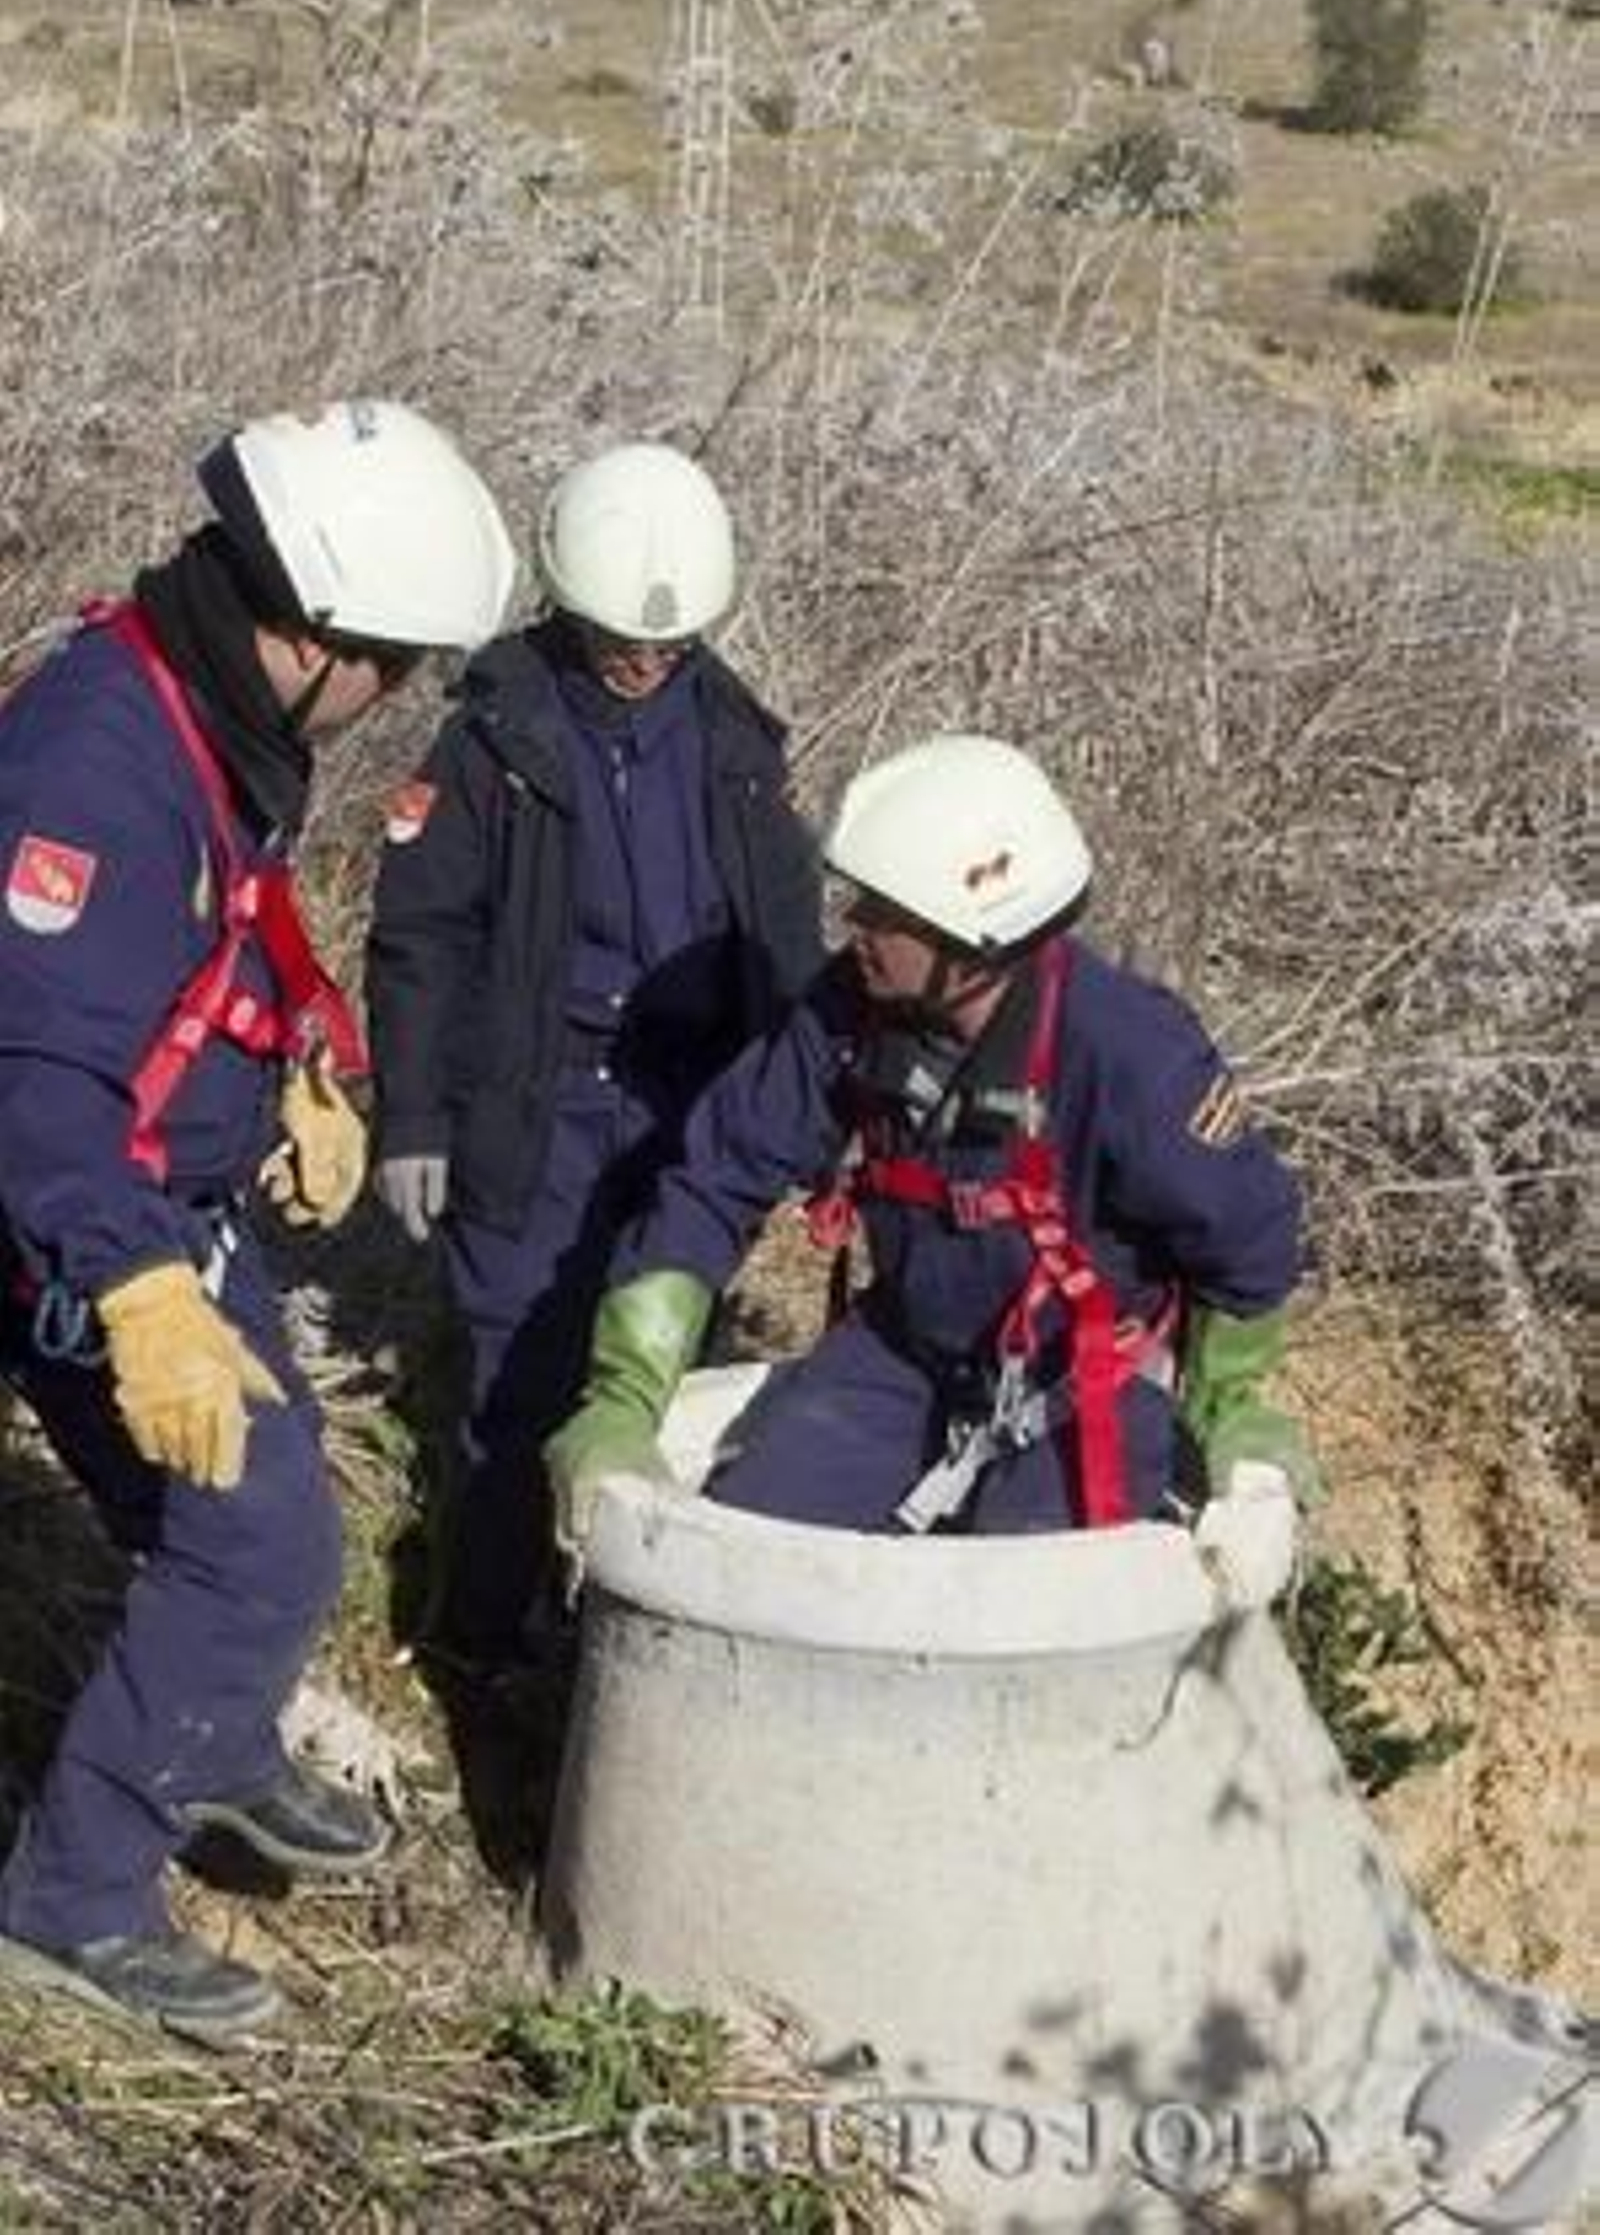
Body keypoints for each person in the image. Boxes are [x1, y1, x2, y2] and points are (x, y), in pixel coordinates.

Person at [0, 399, 515, 2041]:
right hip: (76, 1218)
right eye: (393, 665)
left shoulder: (202, 707)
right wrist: (138, 1290)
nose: (395, 697)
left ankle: (205, 1733)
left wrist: (292, 1058)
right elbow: (32, 1077)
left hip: (157, 1190)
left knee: (267, 1519)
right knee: (248, 1534)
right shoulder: (93, 768)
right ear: (313, 632)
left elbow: (214, 918)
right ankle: (73, 1900)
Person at [544, 734, 1317, 1553]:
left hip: (1087, 1381)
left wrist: (1232, 1404)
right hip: (907, 1349)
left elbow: (1249, 1238)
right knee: (741, 1541)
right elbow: (717, 1175)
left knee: (1020, 1590)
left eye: (885, 913)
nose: (855, 927)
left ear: (970, 941)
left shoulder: (1130, 1052)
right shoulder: (847, 1012)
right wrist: (624, 1396)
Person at [366, 440, 820, 1669]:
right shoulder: (492, 744)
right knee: (517, 1370)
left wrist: (810, 1106)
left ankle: (620, 1640)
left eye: (667, 645)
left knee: (656, 1357)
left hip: (684, 1102)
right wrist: (413, 1115)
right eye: (622, 640)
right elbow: (418, 938)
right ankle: (484, 1638)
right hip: (535, 1096)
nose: (644, 662)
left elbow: (789, 943)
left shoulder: (737, 746)